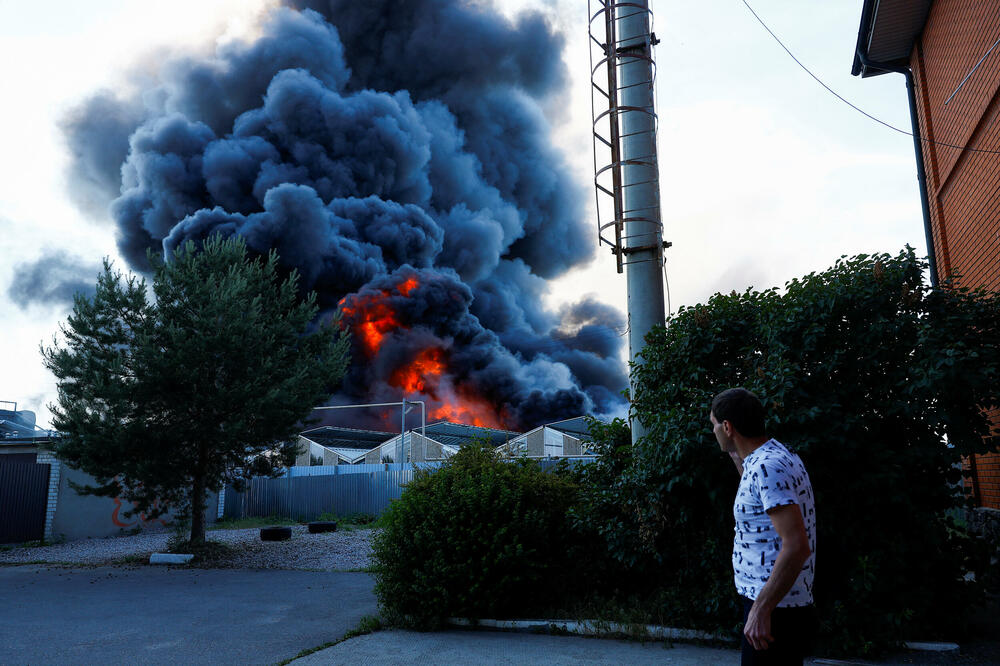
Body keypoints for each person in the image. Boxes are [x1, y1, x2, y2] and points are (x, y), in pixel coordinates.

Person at [710, 388, 817, 665]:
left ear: (727, 427)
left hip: (775, 609)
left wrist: (761, 610)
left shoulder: (768, 467)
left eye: (714, 425)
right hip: (776, 603)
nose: (713, 432)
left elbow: (796, 546)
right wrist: (737, 456)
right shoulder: (769, 458)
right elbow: (758, 497)